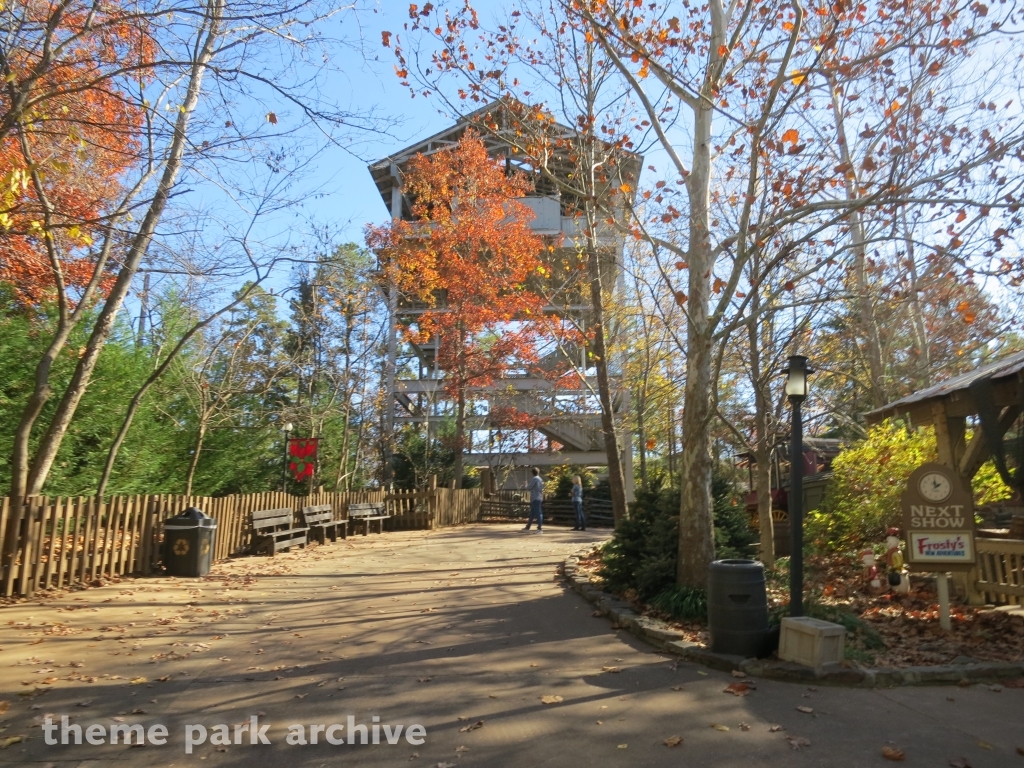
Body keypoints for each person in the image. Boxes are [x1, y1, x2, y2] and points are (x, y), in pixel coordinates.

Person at [524, 468, 544, 532]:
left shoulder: (535, 479)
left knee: (538, 513)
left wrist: (526, 484)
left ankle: (539, 528)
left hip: (535, 497)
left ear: (532, 473)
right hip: (539, 497)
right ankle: (528, 527)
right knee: (532, 513)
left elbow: (528, 487)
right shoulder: (540, 479)